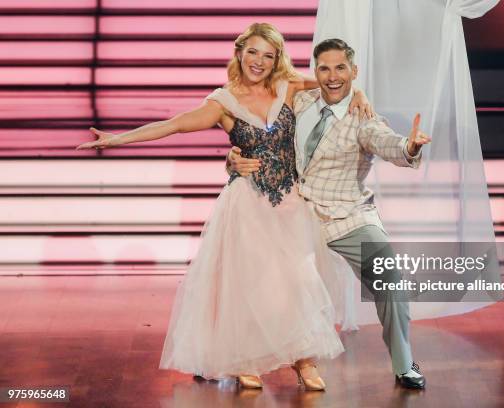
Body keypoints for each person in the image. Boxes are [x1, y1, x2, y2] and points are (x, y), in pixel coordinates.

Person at [75, 23, 373, 391]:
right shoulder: (223, 102)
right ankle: (243, 358)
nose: (259, 61)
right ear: (240, 52)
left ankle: (303, 359)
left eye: (268, 55)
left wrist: (358, 93)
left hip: (290, 202)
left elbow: (334, 82)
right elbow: (175, 125)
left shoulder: (288, 86)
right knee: (252, 283)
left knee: (297, 281)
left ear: (277, 58)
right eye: (253, 52)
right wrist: (118, 139)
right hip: (247, 203)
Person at [229, 38, 432, 389]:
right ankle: (230, 355)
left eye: (341, 68)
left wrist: (409, 146)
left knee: (391, 281)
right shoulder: (299, 101)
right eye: (324, 68)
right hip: (294, 216)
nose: (332, 76)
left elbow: (387, 142)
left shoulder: (363, 118)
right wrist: (232, 158)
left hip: (348, 218)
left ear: (354, 72)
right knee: (256, 278)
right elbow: (262, 141)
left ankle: (404, 364)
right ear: (316, 72)